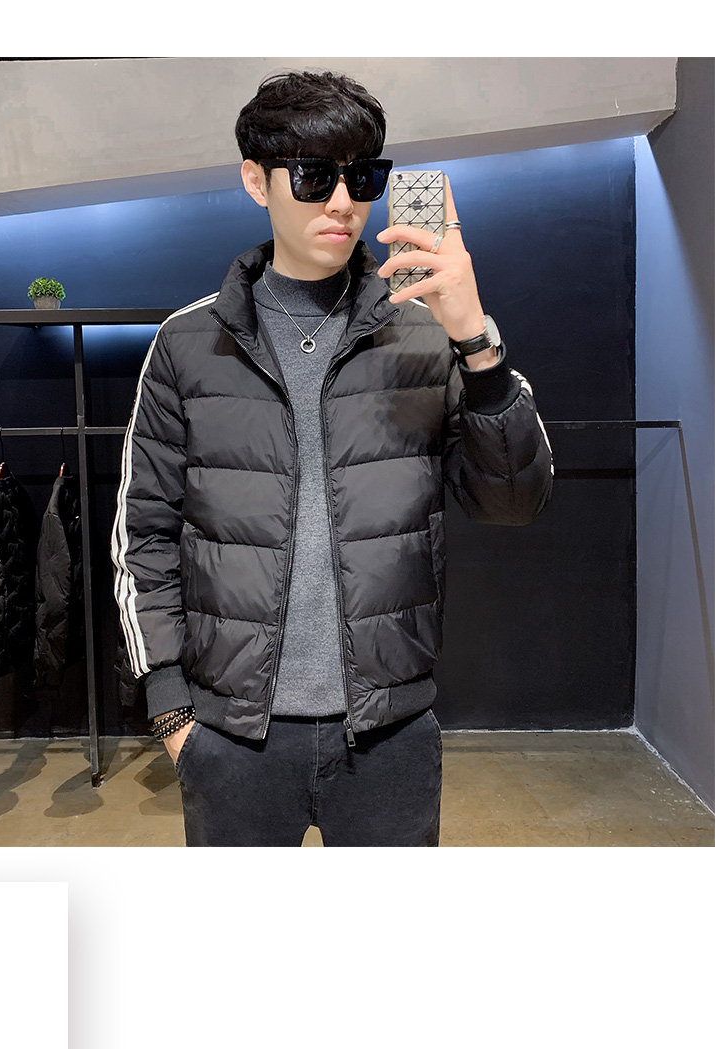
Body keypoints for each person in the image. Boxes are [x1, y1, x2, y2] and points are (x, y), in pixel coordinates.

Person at [110, 69, 554, 847]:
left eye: (363, 177)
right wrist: (173, 709)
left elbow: (513, 501)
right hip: (231, 738)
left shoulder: (429, 335)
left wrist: (475, 338)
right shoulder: (187, 344)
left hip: (390, 734)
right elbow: (141, 536)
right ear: (257, 180)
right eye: (315, 177)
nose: (344, 202)